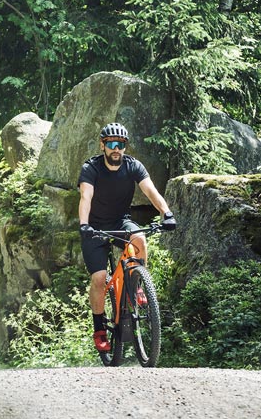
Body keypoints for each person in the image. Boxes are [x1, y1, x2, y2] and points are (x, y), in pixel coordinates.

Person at [77, 122, 177, 354]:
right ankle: (99, 327)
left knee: (140, 238)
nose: (116, 149)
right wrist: (84, 225)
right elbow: (85, 197)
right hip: (94, 227)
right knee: (100, 278)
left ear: (125, 147)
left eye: (120, 145)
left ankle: (136, 285)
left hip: (120, 221)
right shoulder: (91, 168)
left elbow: (151, 191)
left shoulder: (133, 166)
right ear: (102, 145)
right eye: (111, 144)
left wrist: (167, 213)